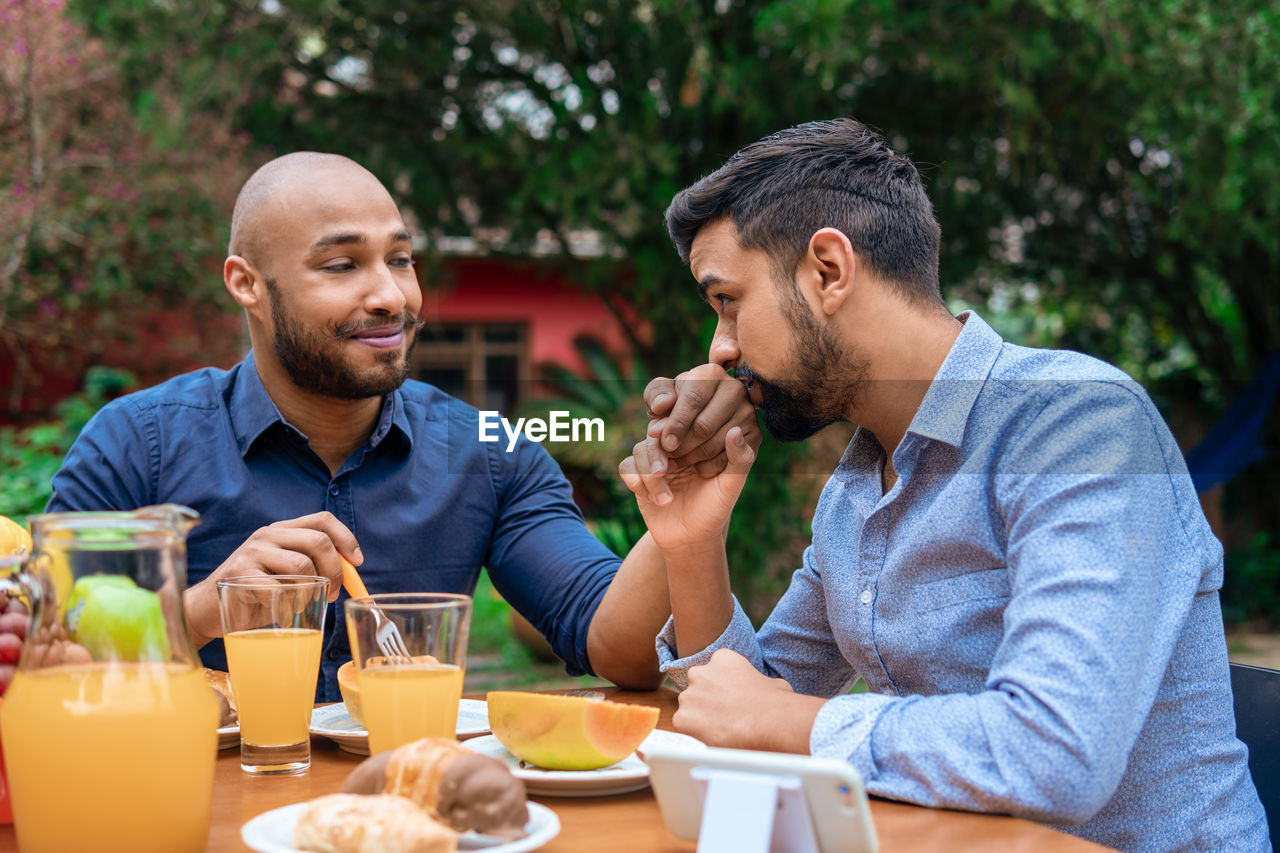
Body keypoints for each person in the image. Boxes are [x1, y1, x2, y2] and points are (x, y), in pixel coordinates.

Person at [619, 118, 1269, 851]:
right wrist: (694, 541)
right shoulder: (854, 489)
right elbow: (744, 700)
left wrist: (790, 723)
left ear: (828, 270)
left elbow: (1055, 754)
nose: (720, 349)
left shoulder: (1079, 425)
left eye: (727, 300)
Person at [47, 151, 758, 699]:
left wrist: (683, 510)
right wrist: (206, 607)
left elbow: (616, 647)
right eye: (341, 264)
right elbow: (50, 655)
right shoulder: (135, 445)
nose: (391, 295)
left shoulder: (489, 454)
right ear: (246, 283)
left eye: (400, 259)